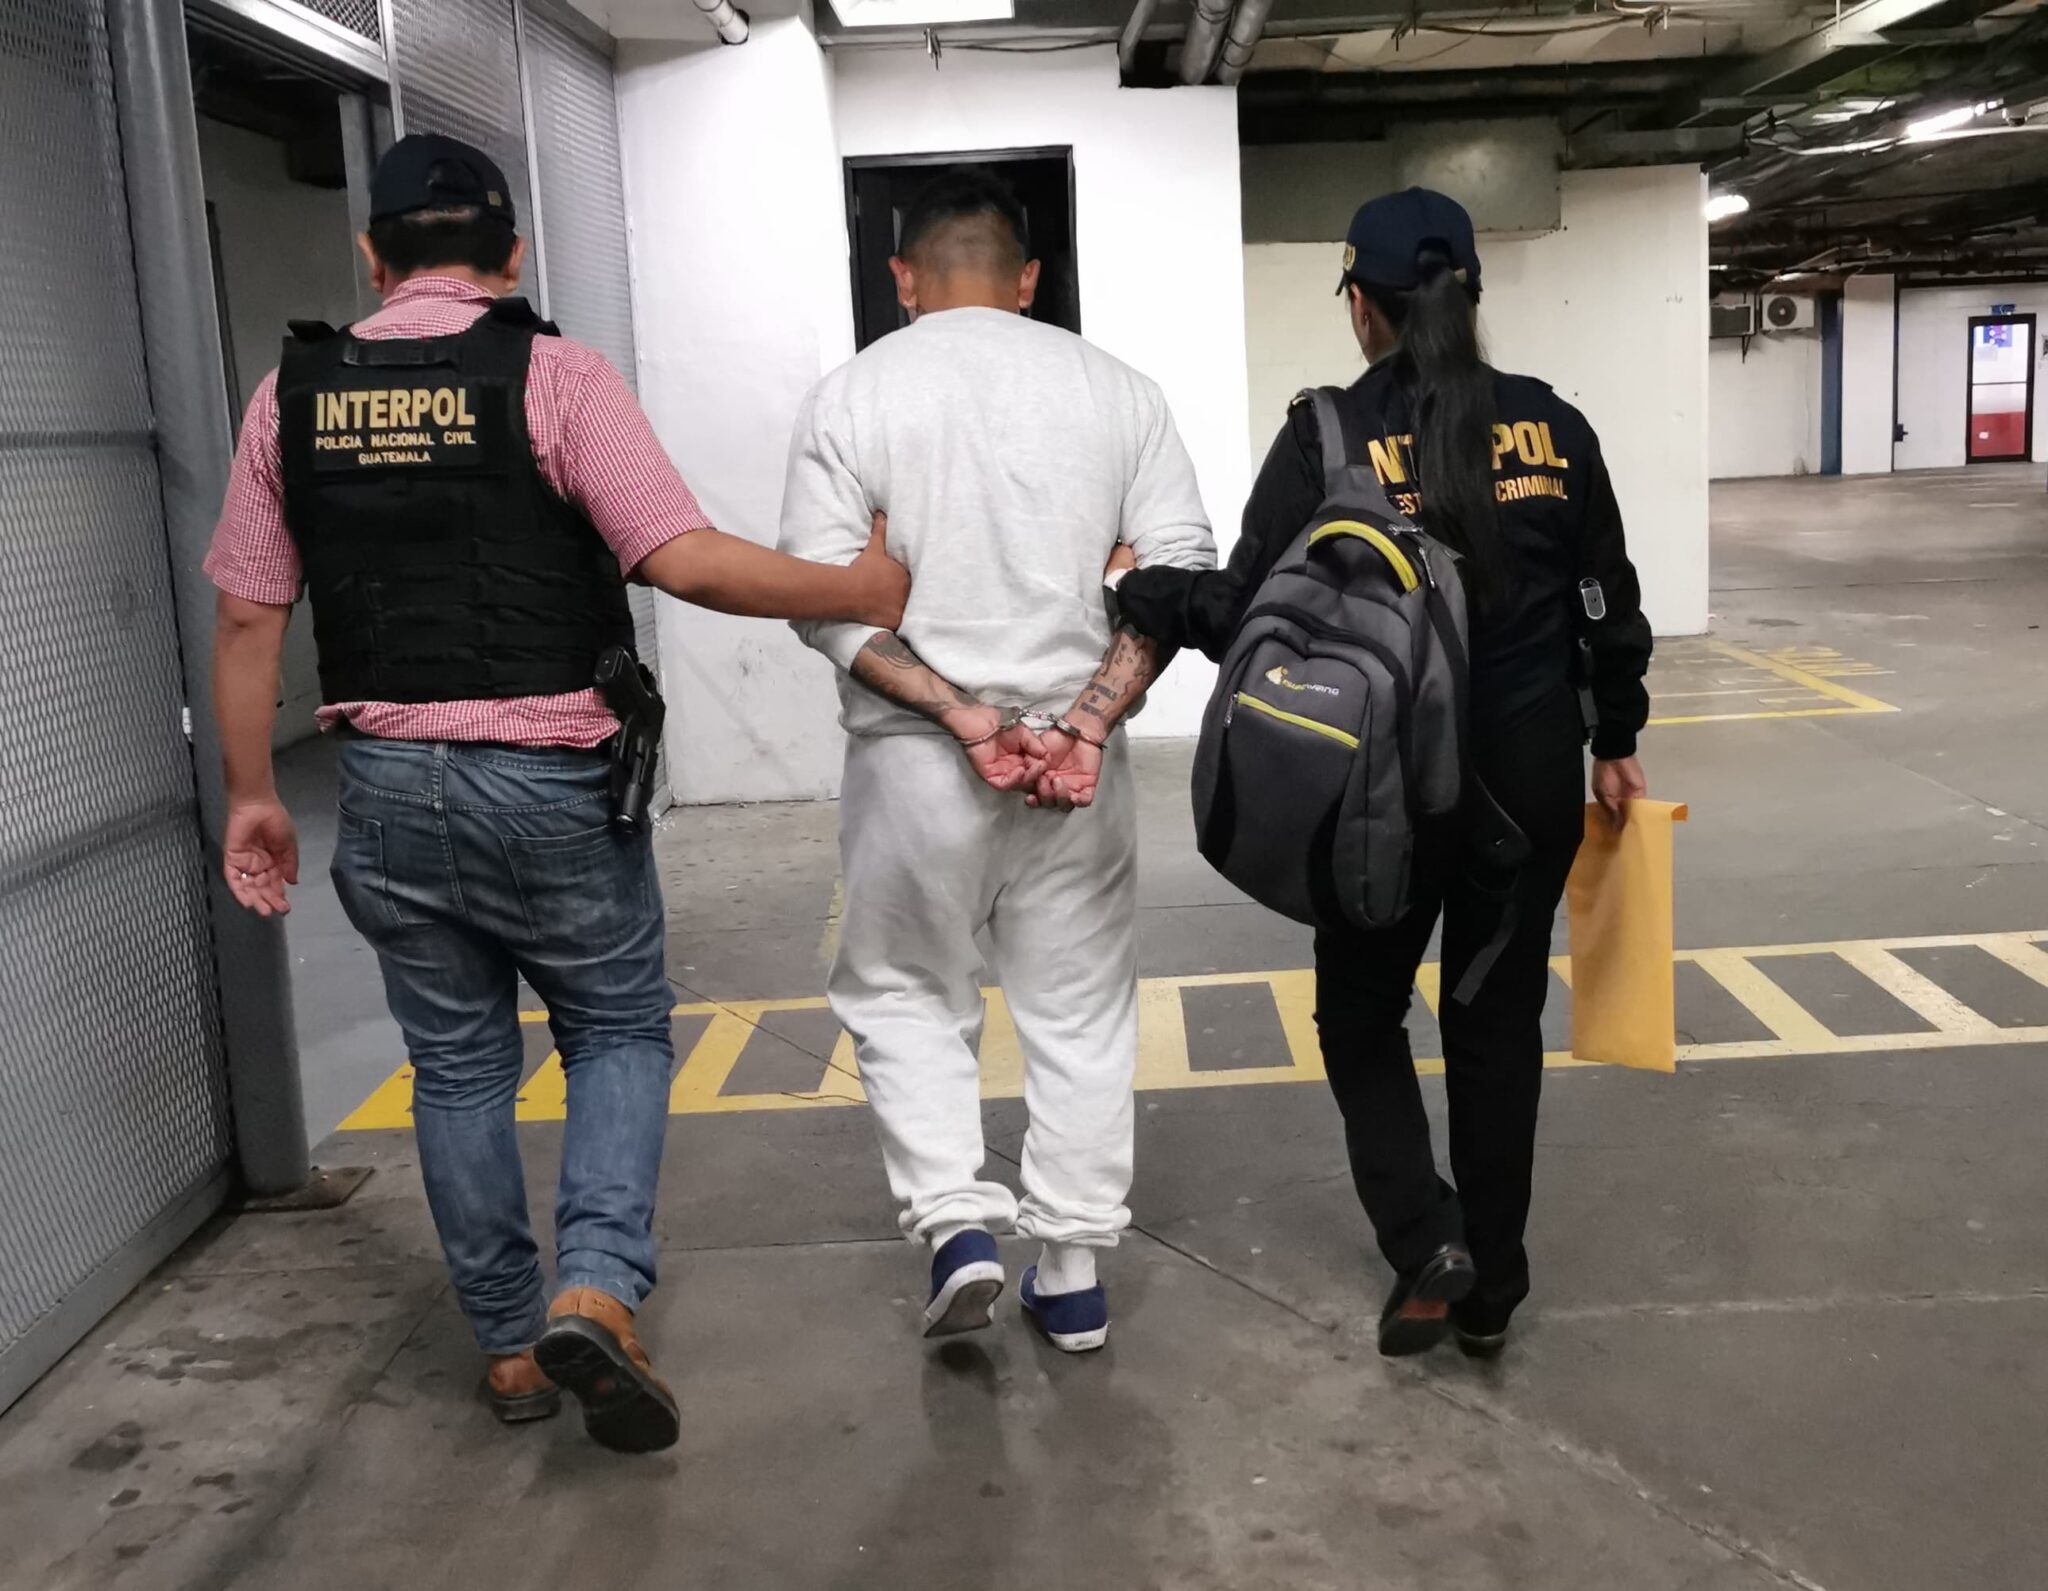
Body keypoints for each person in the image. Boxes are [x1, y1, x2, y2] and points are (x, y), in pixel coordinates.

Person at [206, 134, 907, 1451]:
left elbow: (250, 615)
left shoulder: (288, 396)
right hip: (549, 783)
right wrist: (858, 589)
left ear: (372, 255)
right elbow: (680, 557)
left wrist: (253, 792)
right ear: (514, 254)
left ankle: (511, 1346)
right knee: (619, 1028)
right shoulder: (557, 374)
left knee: (457, 1065)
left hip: (385, 786)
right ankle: (594, 1288)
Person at [1115, 188, 1653, 1359]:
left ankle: (1423, 1236)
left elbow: (1246, 609)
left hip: (1383, 794)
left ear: (1360, 305)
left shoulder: (1326, 435)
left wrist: (1144, 591)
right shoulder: (1553, 428)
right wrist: (1614, 734)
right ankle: (1492, 1290)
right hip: (1527, 787)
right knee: (1492, 1023)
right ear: (1470, 295)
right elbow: (1606, 601)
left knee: (1360, 1011)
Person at [777, 169, 1215, 1352]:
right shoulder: (1119, 391)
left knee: (905, 990)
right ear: (1026, 281)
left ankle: (956, 1227)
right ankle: (1069, 1273)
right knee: (1078, 1005)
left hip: (917, 762)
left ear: (902, 279)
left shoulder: (851, 396)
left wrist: (962, 713)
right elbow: (1176, 577)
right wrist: (1085, 722)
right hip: (1076, 764)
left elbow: (823, 601)